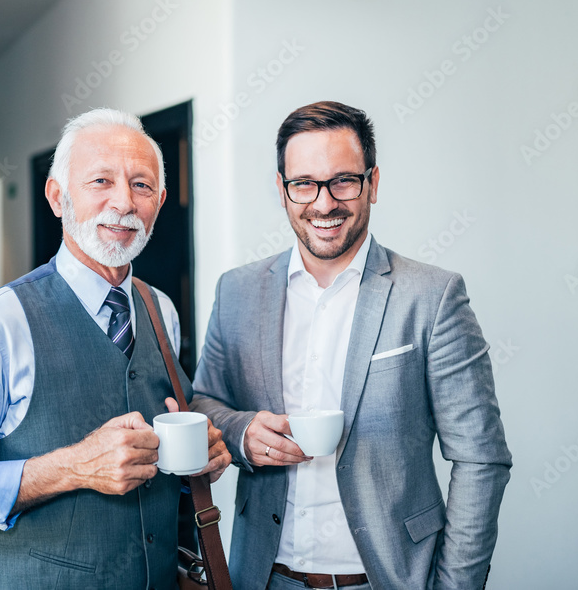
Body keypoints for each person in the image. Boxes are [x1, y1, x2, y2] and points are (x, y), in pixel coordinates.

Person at [190, 101, 511, 590]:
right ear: (282, 190)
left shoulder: (432, 296)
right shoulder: (236, 291)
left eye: (344, 180)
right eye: (304, 184)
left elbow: (480, 457)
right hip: (264, 578)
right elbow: (204, 403)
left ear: (373, 183)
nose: (323, 203)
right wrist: (241, 433)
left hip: (387, 579)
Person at [0, 107, 231, 590]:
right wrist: (71, 467)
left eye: (141, 186)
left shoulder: (160, 308)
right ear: (58, 198)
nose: (123, 202)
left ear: (160, 202)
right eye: (100, 181)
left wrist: (202, 453)